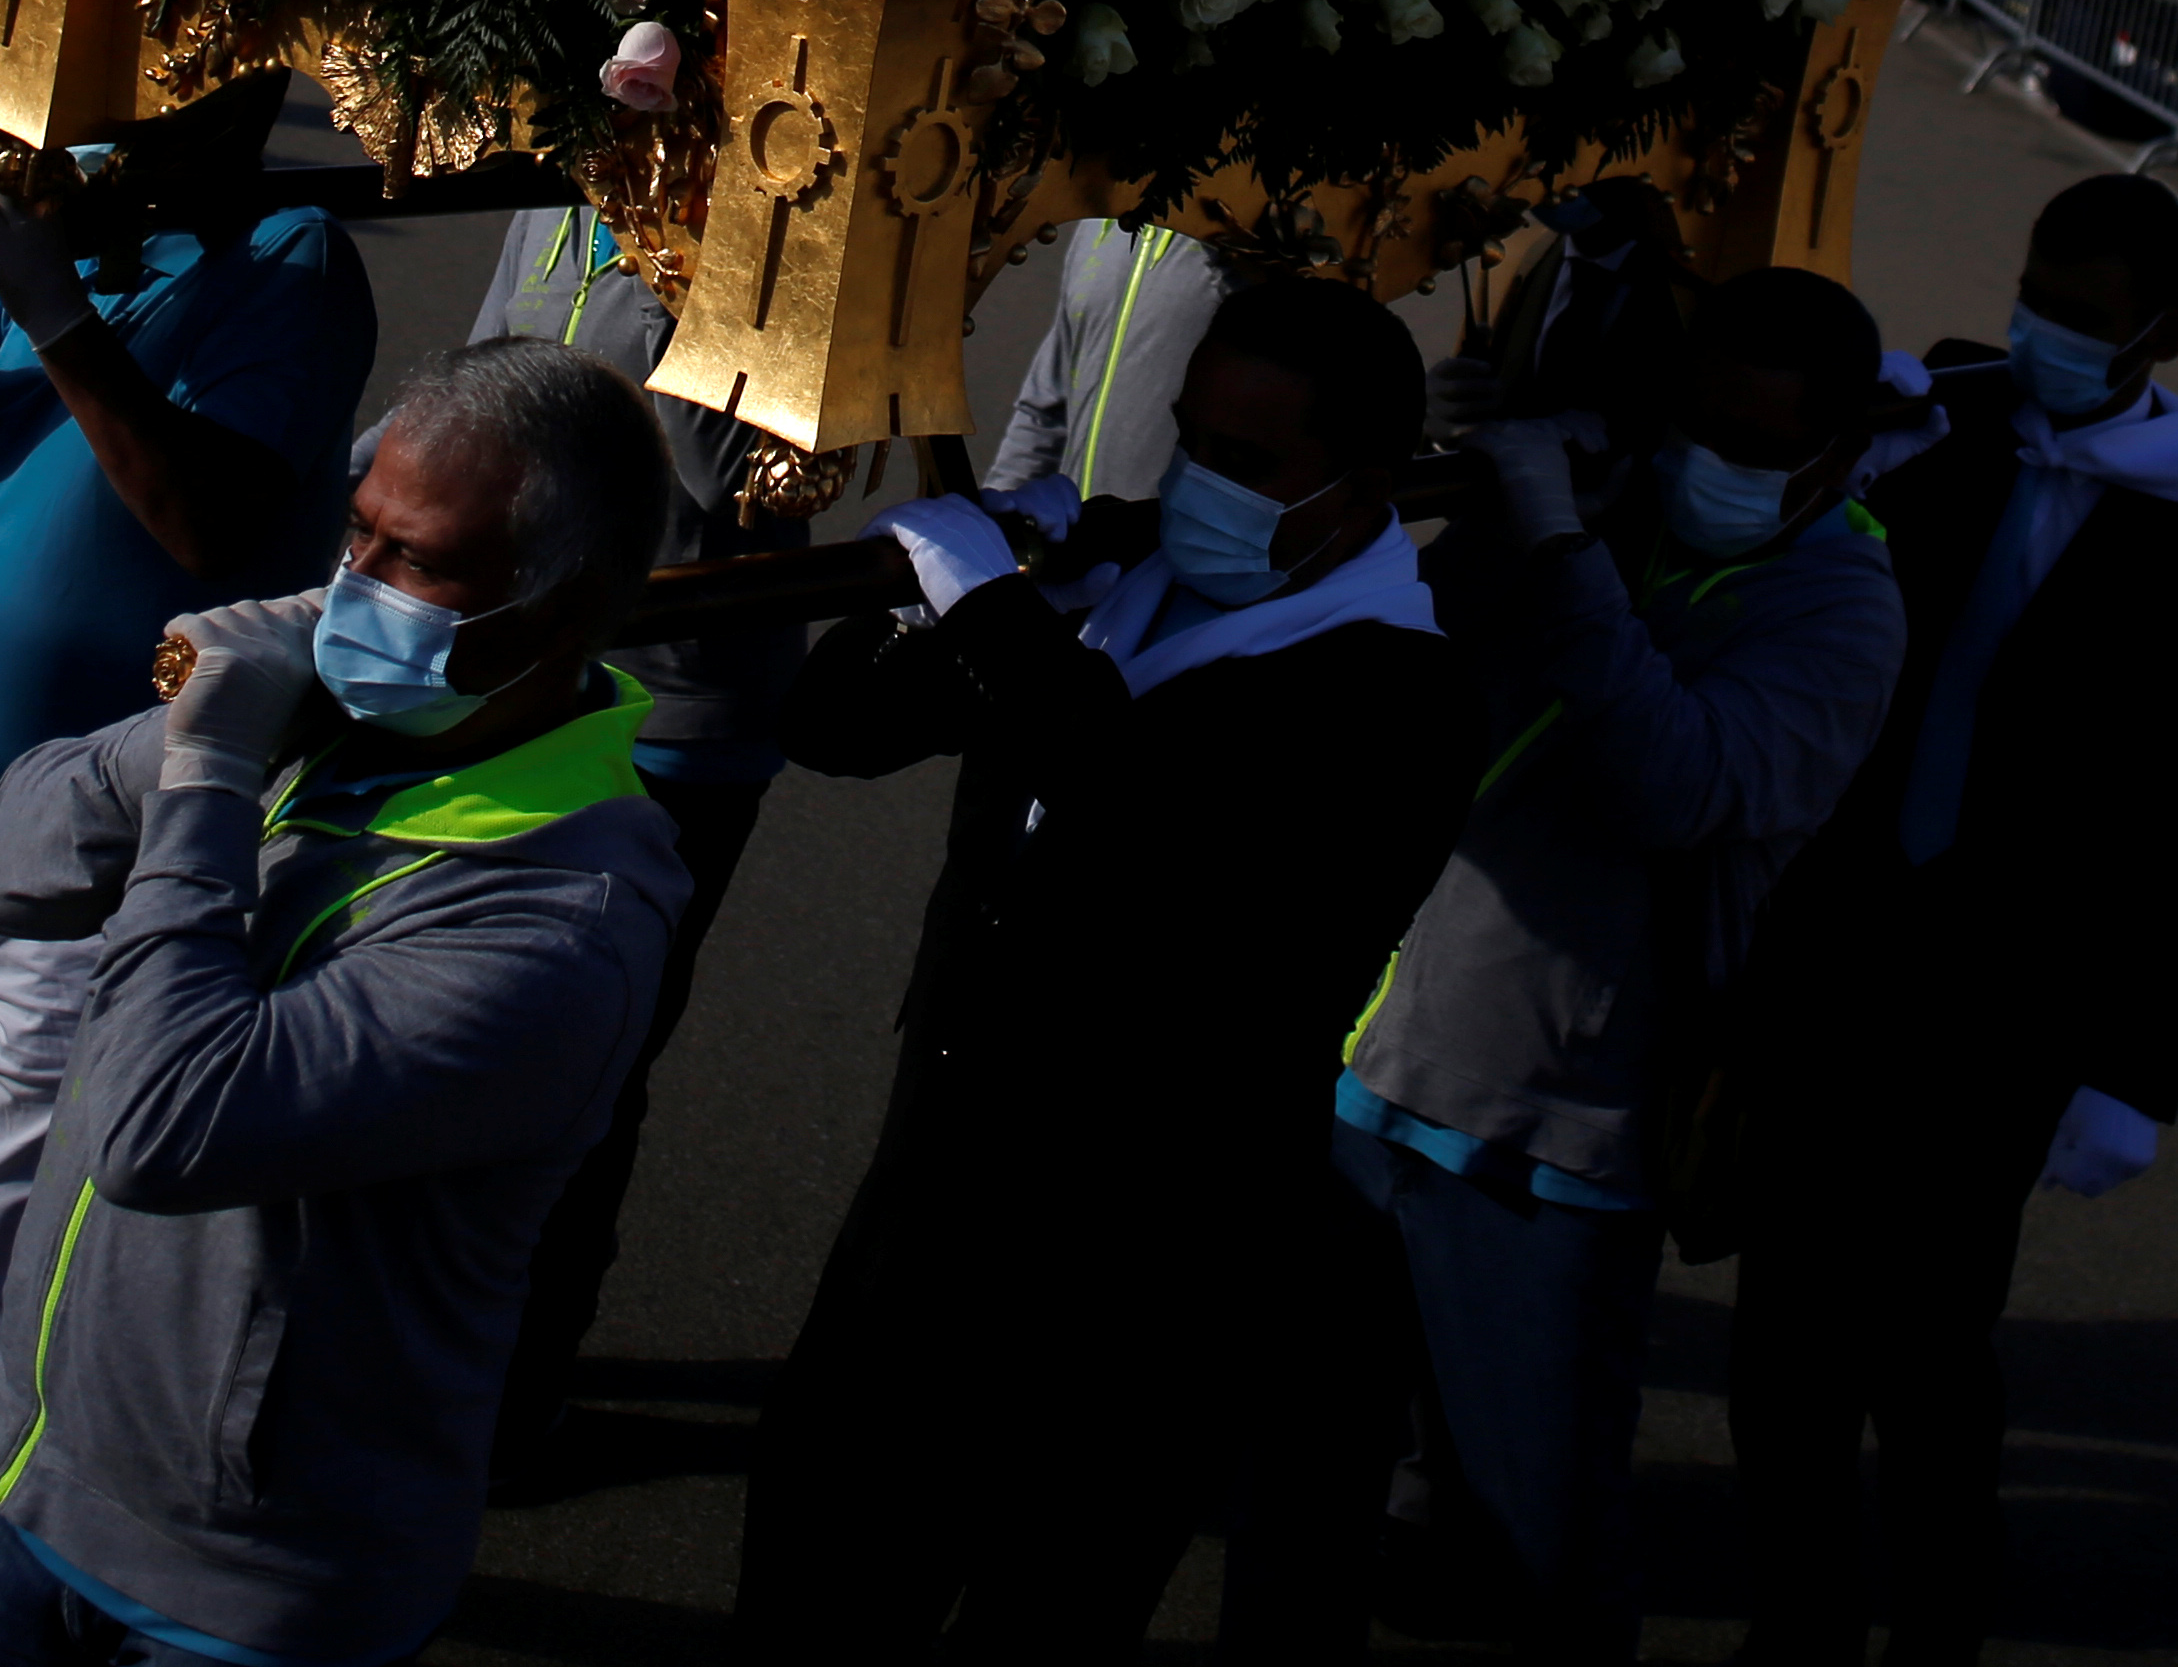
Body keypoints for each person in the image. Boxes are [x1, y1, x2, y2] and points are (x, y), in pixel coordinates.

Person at [736, 275, 1480, 1654]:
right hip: (934, 1209)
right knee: (811, 1587)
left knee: (1043, 1613)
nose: (1196, 482)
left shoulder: (1404, 697)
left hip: (1142, 1285)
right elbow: (834, 725)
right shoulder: (1123, 574)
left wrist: (1000, 617)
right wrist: (934, 603)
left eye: (1246, 464)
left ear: (1368, 488)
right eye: (1189, 440)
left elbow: (1155, 817)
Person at [0, 341, 689, 1667]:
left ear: (562, 614)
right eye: (358, 535)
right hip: (38, 1496)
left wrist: (212, 771)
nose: (358, 588)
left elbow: (160, 1129)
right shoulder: (330, 720)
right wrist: (188, 726)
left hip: (244, 1600)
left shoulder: (564, 924)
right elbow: (10, 868)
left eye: (419, 562)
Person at [0, 95, 374, 1660]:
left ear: (240, 104)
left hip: (110, 851)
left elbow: (207, 522)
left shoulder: (288, 257)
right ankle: (53, 1418)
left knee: (14, 1209)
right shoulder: (83, 238)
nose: (113, 118)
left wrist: (61, 310)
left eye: (160, 92)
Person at [1285, 264, 1911, 1656]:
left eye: (1757, 448)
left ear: (1841, 453)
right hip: (1372, 1079)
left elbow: (1674, 785)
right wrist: (1455, 472)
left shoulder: (1845, 611)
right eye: (1701, 427)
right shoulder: (1608, 505)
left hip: (1549, 1149)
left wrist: (1567, 549)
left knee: (1541, 1569)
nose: (1713, 467)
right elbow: (1413, 661)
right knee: (1304, 1518)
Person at [1717, 177, 2178, 1665]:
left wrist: (2132, 1070)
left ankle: (1941, 1622)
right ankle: (1796, 1630)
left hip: (2005, 1000)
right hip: (1842, 952)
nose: (2048, 334)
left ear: (2163, 333)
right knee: (1783, 1343)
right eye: (2038, 295)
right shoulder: (1937, 423)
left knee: (1925, 1345)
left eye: (2088, 320)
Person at [460, 203, 812, 1480]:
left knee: (583, 1063)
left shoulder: (769, 220)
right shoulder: (559, 197)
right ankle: (445, 1340)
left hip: (671, 711)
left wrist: (687, 262)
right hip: (507, 681)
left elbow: (730, 478)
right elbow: (468, 390)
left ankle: (516, 1390)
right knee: (462, 1029)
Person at [978, 209, 1229, 512]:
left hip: (1182, 542)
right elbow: (1046, 408)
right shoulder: (1099, 223)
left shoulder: (1252, 235)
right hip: (1080, 538)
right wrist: (997, 516)